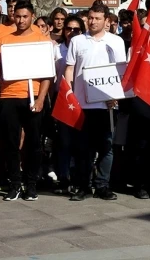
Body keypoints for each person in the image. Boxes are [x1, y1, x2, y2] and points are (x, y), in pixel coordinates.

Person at [64, 3, 126, 201]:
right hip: (82, 104)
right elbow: (70, 69)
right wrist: (69, 94)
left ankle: (102, 186)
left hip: (107, 105)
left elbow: (120, 72)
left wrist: (115, 96)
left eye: (97, 18)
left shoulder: (115, 42)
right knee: (83, 148)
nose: (92, 21)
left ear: (106, 21)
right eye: (90, 17)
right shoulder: (77, 41)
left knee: (106, 147)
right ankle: (83, 186)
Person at [0, 1, 53, 201]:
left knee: (34, 144)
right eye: (17, 16)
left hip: (32, 97)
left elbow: (47, 75)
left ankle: (31, 184)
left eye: (25, 16)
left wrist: (41, 99)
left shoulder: (41, 39)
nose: (20, 20)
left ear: (32, 17)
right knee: (10, 143)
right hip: (9, 96)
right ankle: (15, 184)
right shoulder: (5, 40)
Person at [53, 14, 85, 195]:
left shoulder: (84, 47)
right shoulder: (57, 50)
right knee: (63, 142)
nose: (72, 32)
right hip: (62, 98)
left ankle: (79, 177)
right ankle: (63, 177)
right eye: (69, 29)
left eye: (76, 29)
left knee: (80, 142)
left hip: (82, 99)